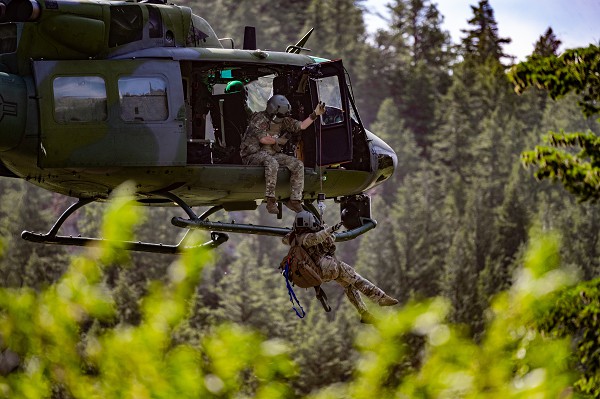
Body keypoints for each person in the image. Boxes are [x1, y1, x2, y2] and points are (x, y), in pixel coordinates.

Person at [282, 210, 399, 323]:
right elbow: (318, 238)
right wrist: (330, 229)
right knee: (355, 278)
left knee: (349, 286)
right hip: (328, 267)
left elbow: (285, 239)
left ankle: (364, 313)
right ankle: (380, 298)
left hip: (320, 273)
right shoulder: (307, 238)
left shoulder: (293, 238)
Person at [240, 94, 325, 214]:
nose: (281, 118)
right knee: (272, 163)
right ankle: (270, 200)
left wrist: (315, 114)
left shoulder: (284, 120)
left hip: (271, 153)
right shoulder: (259, 119)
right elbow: (263, 139)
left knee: (297, 165)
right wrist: (277, 141)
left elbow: (301, 126)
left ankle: (295, 200)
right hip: (252, 155)